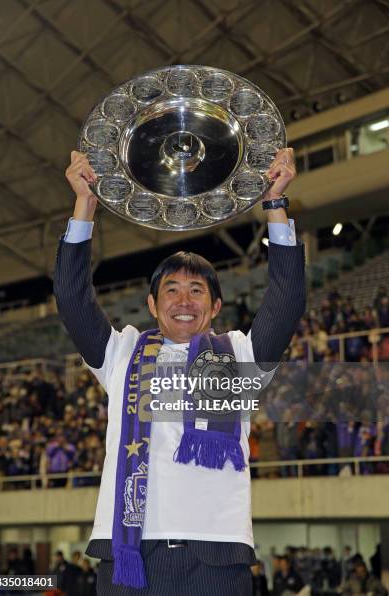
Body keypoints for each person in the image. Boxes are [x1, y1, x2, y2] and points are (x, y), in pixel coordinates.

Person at [54, 147, 305, 595]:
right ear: (152, 305)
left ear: (215, 307)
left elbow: (285, 303)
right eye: (171, 289)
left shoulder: (238, 354)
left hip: (217, 558)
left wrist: (275, 204)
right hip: (129, 558)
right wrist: (84, 205)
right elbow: (73, 300)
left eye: (196, 290)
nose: (184, 300)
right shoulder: (122, 350)